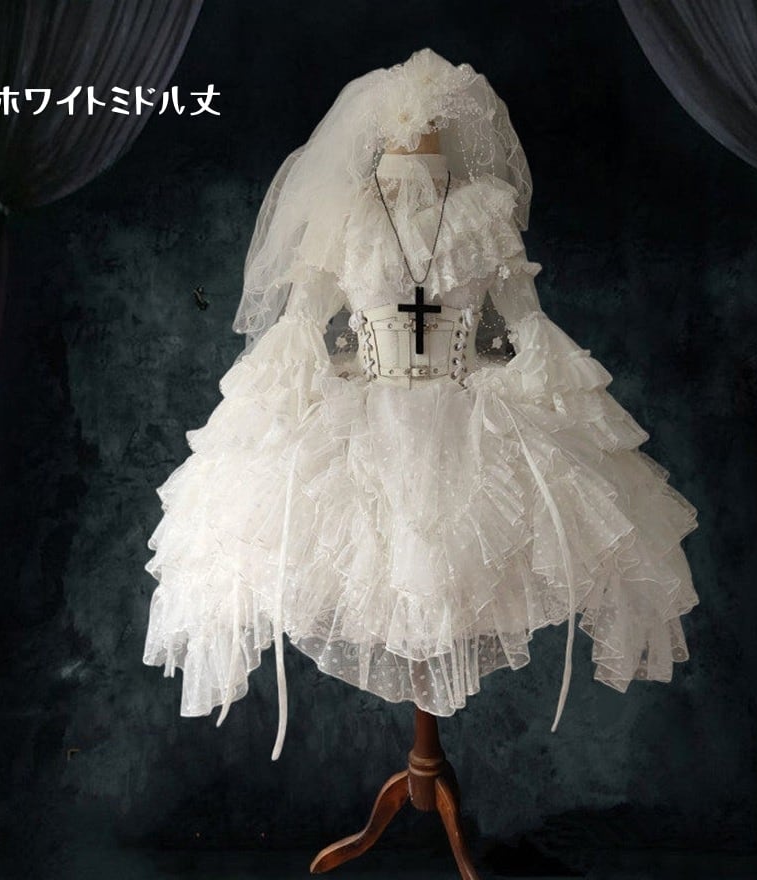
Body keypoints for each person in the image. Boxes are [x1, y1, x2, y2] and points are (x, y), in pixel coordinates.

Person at [143, 47, 700, 761]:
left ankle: (428, 764)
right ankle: (421, 764)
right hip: (367, 431)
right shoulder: (344, 217)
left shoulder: (483, 213)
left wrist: (564, 415)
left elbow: (527, 325)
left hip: (468, 426)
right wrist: (272, 420)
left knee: (489, 555)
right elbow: (301, 328)